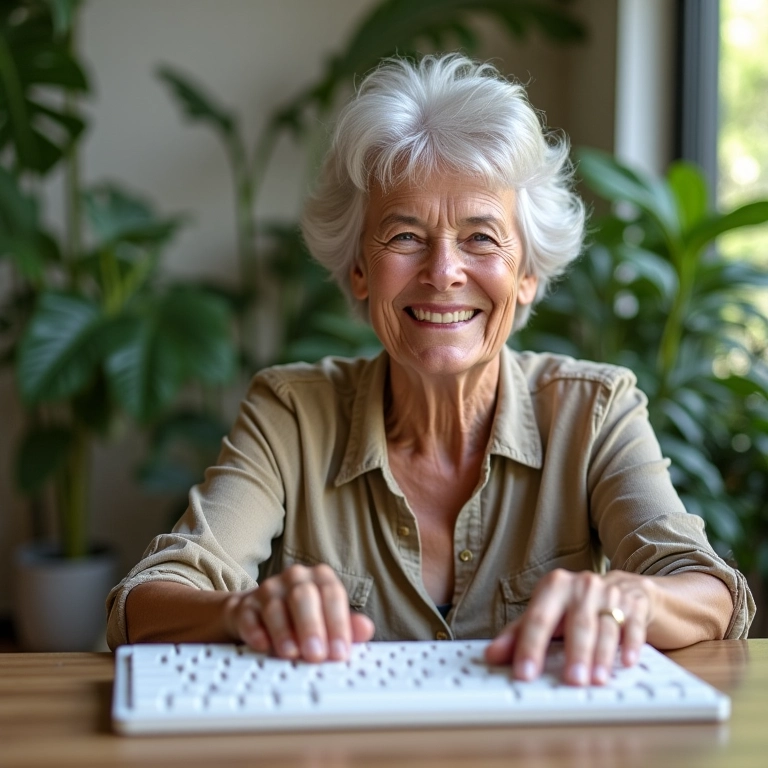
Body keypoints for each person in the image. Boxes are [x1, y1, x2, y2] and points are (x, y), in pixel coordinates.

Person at [107, 54, 754, 687]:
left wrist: (635, 602)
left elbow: (708, 591)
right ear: (359, 269)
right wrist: (243, 611)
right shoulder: (291, 415)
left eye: (480, 237)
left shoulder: (595, 411)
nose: (443, 271)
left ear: (527, 275)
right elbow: (146, 602)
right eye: (406, 236)